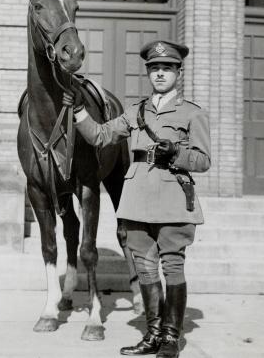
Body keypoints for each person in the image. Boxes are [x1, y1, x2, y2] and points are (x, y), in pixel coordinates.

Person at [63, 40, 211, 358]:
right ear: (148, 73)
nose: (160, 74)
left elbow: (203, 161)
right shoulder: (135, 112)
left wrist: (178, 153)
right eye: (155, 69)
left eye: (167, 69)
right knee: (144, 269)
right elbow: (100, 136)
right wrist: (77, 110)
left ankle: (171, 337)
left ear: (177, 73)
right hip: (137, 202)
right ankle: (153, 334)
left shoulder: (192, 114)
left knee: (173, 268)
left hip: (173, 201)